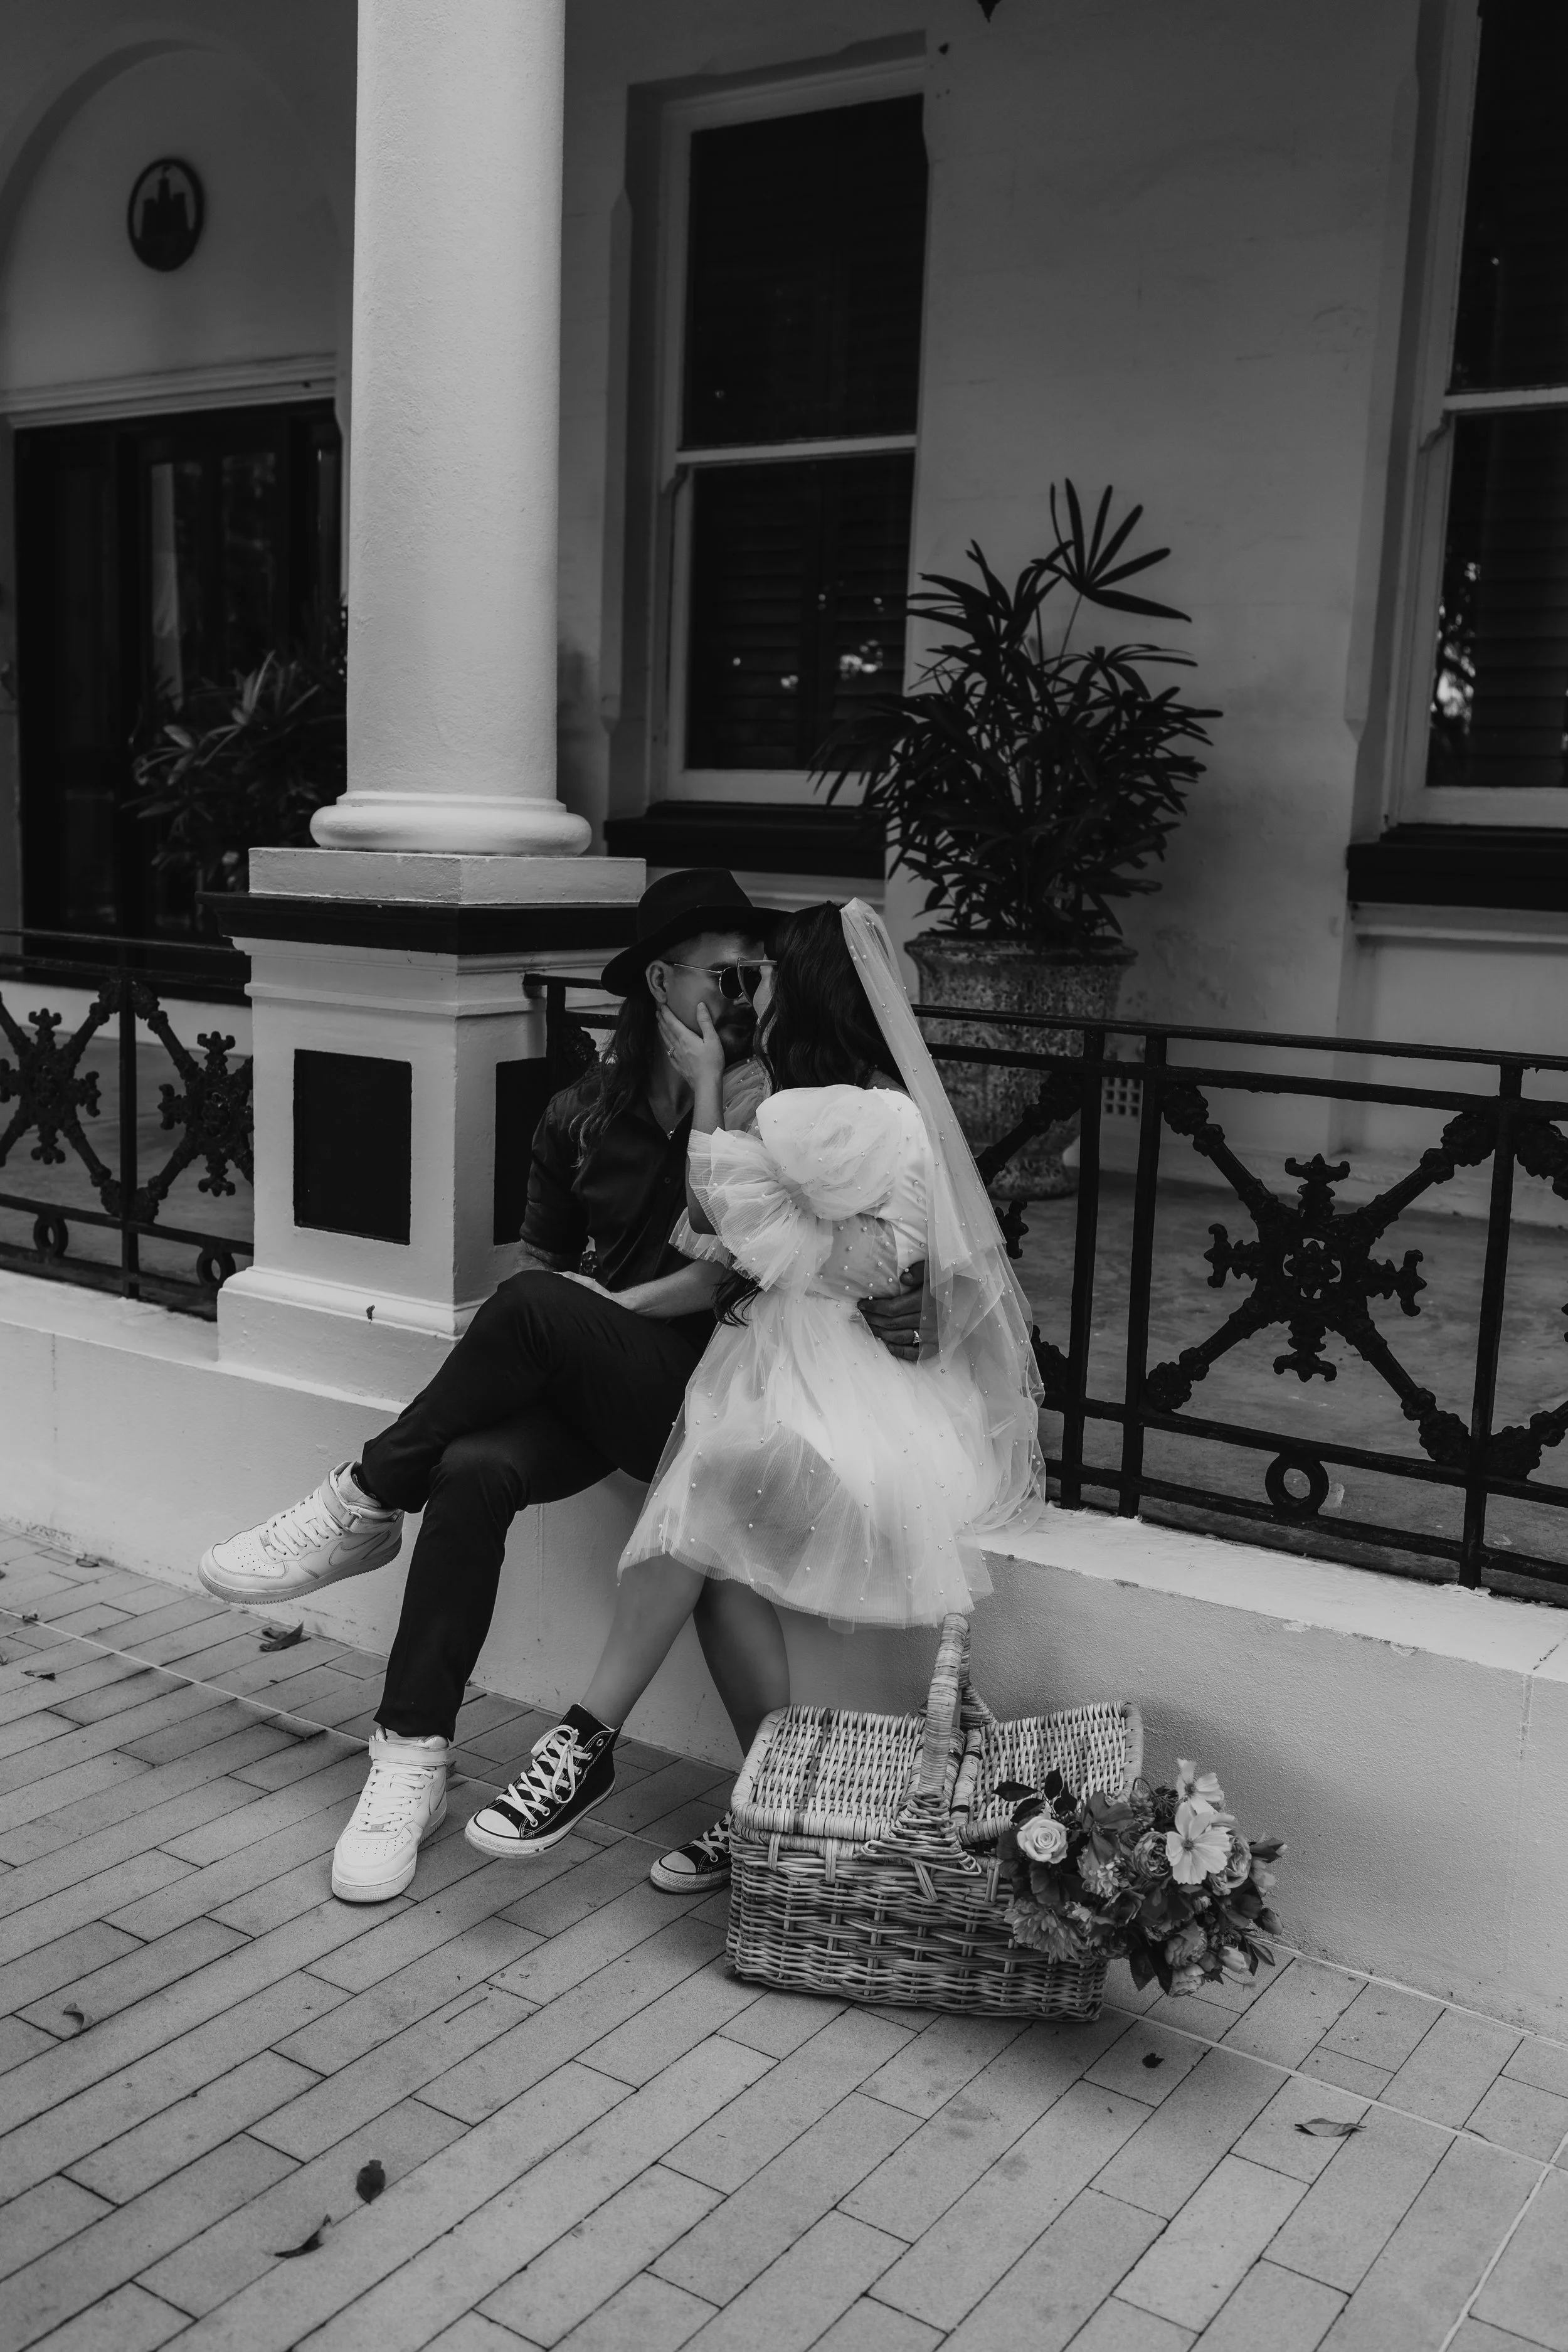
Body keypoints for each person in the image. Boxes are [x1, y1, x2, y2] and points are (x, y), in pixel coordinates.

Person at [199, 870, 924, 1904]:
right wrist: (567, 1310)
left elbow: (757, 1258)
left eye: (752, 972)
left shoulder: (783, 1097)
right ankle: (410, 1755)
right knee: (472, 1465)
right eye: (721, 972)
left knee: (539, 1307)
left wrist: (593, 1302)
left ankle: (357, 1497)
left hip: (706, 1382)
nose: (739, 991)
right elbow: (538, 1267)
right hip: (601, 1375)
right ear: (660, 983)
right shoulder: (582, 1113)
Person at [459, 898, 1047, 1863]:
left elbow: (711, 1202)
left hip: (846, 1400)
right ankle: (765, 1809)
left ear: (806, 993)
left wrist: (702, 1084)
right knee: (716, 1560)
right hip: (786, 1372)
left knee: (701, 1488)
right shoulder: (835, 1108)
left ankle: (585, 1739)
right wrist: (615, 1302)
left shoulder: (834, 1116)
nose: (749, 991)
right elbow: (740, 1245)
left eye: (765, 976)